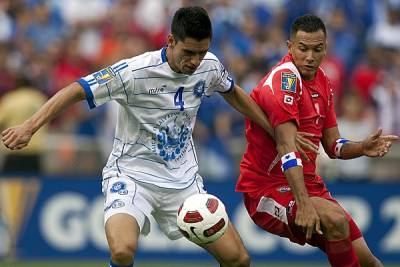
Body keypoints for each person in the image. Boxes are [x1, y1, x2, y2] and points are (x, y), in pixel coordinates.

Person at [1, 6, 318, 267]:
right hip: (131, 175)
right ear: (170, 40)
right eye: (189, 53)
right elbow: (77, 90)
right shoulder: (133, 72)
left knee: (239, 260)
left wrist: (276, 132)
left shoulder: (209, 66)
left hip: (183, 182)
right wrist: (29, 126)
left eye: (202, 52)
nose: (194, 62)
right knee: (122, 251)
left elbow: (232, 93)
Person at [236, 14, 398, 267]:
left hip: (310, 186)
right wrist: (303, 204)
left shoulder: (323, 80)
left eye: (317, 49)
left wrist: (362, 148)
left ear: (326, 49)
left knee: (369, 262)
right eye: (303, 49)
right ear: (290, 47)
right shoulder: (285, 80)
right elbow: (287, 146)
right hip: (267, 190)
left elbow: (333, 146)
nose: (310, 56)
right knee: (335, 219)